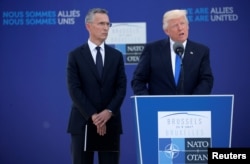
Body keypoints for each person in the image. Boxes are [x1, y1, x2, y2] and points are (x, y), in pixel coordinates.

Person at [66, 8, 127, 164]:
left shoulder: (117, 56)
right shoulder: (75, 55)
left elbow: (121, 88)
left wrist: (108, 111)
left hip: (110, 123)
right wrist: (93, 115)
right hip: (82, 122)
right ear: (88, 26)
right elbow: (74, 89)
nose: (106, 28)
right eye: (101, 23)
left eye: (108, 24)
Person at [131, 9, 213, 95]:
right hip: (159, 106)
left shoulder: (201, 51)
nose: (180, 28)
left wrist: (193, 101)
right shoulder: (152, 49)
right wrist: (148, 102)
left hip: (190, 106)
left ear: (188, 26)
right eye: (175, 25)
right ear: (167, 31)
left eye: (182, 23)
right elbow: (138, 80)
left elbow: (206, 80)